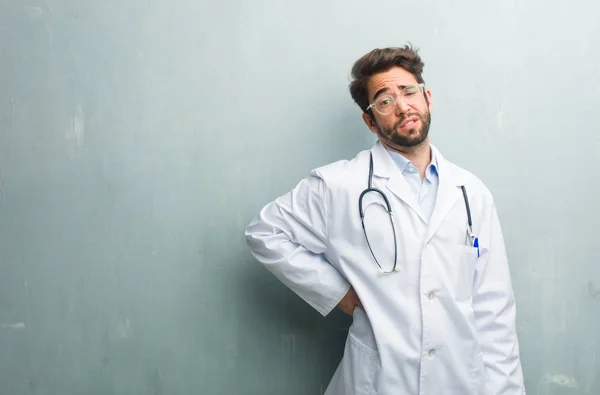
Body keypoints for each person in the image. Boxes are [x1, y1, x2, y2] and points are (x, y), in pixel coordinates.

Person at [245, 45, 525, 395]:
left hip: (459, 381)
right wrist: (340, 294)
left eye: (408, 92)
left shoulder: (472, 193)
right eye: (385, 100)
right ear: (370, 120)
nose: (403, 106)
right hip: (379, 383)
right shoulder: (339, 186)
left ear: (427, 97)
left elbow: (494, 313)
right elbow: (265, 232)